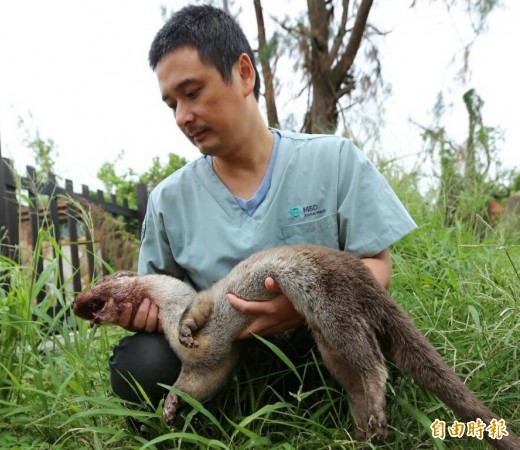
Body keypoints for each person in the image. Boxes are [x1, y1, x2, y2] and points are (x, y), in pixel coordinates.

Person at [108, 4, 416, 410]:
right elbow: (166, 301)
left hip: (321, 345)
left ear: (244, 74)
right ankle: (207, 414)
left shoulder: (334, 161)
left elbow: (378, 266)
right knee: (140, 362)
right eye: (171, 105)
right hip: (228, 357)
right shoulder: (170, 200)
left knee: (363, 330)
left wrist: (305, 306)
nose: (183, 116)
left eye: (192, 92)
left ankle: (357, 404)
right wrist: (146, 315)